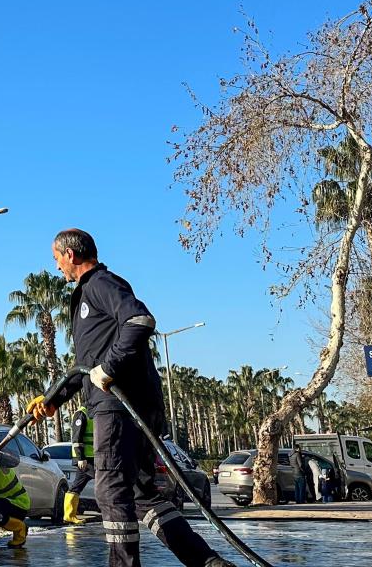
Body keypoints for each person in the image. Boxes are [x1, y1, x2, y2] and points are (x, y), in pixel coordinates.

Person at [25, 229, 234, 567]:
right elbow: (84, 368)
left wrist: (109, 368)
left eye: (56, 258)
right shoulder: (88, 294)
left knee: (110, 489)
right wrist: (52, 400)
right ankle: (206, 562)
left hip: (119, 408)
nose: (56, 266)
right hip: (130, 407)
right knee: (142, 497)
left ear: (72, 256)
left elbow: (140, 320)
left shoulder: (101, 284)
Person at [66, 405, 94, 523]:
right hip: (86, 458)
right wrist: (80, 457)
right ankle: (69, 515)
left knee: (77, 485)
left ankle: (69, 515)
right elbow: (77, 438)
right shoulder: (81, 413)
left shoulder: (93, 412)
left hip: (94, 456)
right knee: (106, 482)